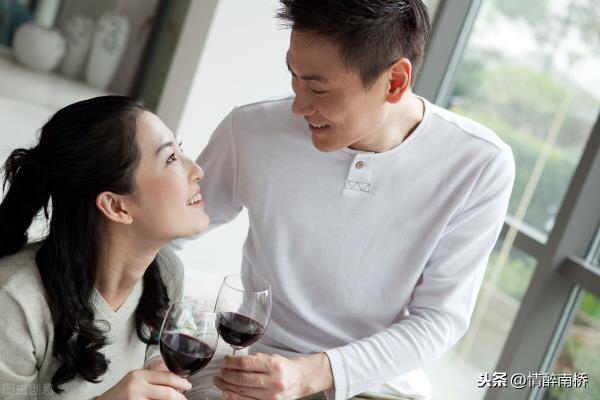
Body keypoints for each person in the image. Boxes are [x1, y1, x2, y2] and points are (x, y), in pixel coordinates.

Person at [188, 0, 515, 399]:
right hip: (257, 368)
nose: (298, 105)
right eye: (294, 76)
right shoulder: (251, 130)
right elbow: (167, 227)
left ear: (395, 81)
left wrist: (311, 374)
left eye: (319, 88)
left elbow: (439, 320)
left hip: (376, 385)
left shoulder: (478, 164)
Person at [0, 96, 210, 399]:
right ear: (116, 206)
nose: (198, 170)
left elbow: (155, 358)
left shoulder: (167, 273)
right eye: (170, 159)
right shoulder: (16, 302)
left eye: (181, 149)